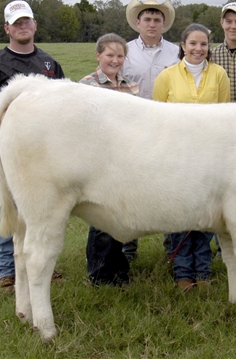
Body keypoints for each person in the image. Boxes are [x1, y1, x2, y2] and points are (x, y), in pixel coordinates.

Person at [0, 0, 65, 293]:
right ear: (7, 28)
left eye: (27, 21)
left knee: (44, 208)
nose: (23, 27)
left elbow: (63, 105)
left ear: (35, 25)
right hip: (10, 153)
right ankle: (7, 270)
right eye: (17, 23)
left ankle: (41, 263)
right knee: (8, 207)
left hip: (44, 153)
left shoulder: (49, 64)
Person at [152, 23, 230, 292]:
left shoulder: (219, 75)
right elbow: (157, 118)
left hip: (209, 157)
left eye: (204, 44)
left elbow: (224, 116)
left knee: (207, 216)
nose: (199, 49)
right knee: (180, 215)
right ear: (183, 46)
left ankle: (204, 272)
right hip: (176, 158)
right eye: (193, 44)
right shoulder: (167, 76)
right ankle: (183, 273)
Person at [122, 0, 180, 260]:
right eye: (147, 19)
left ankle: (172, 248)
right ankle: (126, 247)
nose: (152, 24)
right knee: (129, 184)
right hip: (131, 127)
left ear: (164, 24)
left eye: (157, 20)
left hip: (168, 128)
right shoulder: (125, 51)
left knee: (169, 184)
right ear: (137, 22)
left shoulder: (177, 52)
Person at [80, 33, 140, 286]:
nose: (115, 61)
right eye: (109, 55)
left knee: (120, 213)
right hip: (99, 161)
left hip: (127, 159)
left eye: (119, 56)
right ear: (98, 56)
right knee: (101, 217)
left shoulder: (130, 85)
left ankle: (119, 269)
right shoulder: (86, 86)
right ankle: (100, 272)